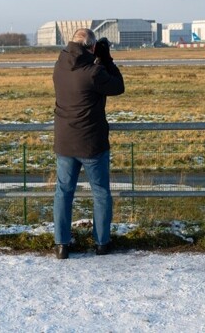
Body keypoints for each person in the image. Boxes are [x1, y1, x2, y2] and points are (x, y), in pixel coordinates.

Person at [52, 28, 124, 259]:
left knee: (63, 192)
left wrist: (94, 55)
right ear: (91, 47)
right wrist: (106, 59)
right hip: (92, 142)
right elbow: (118, 86)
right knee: (101, 192)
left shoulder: (59, 66)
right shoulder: (92, 72)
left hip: (65, 141)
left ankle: (62, 244)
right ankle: (101, 242)